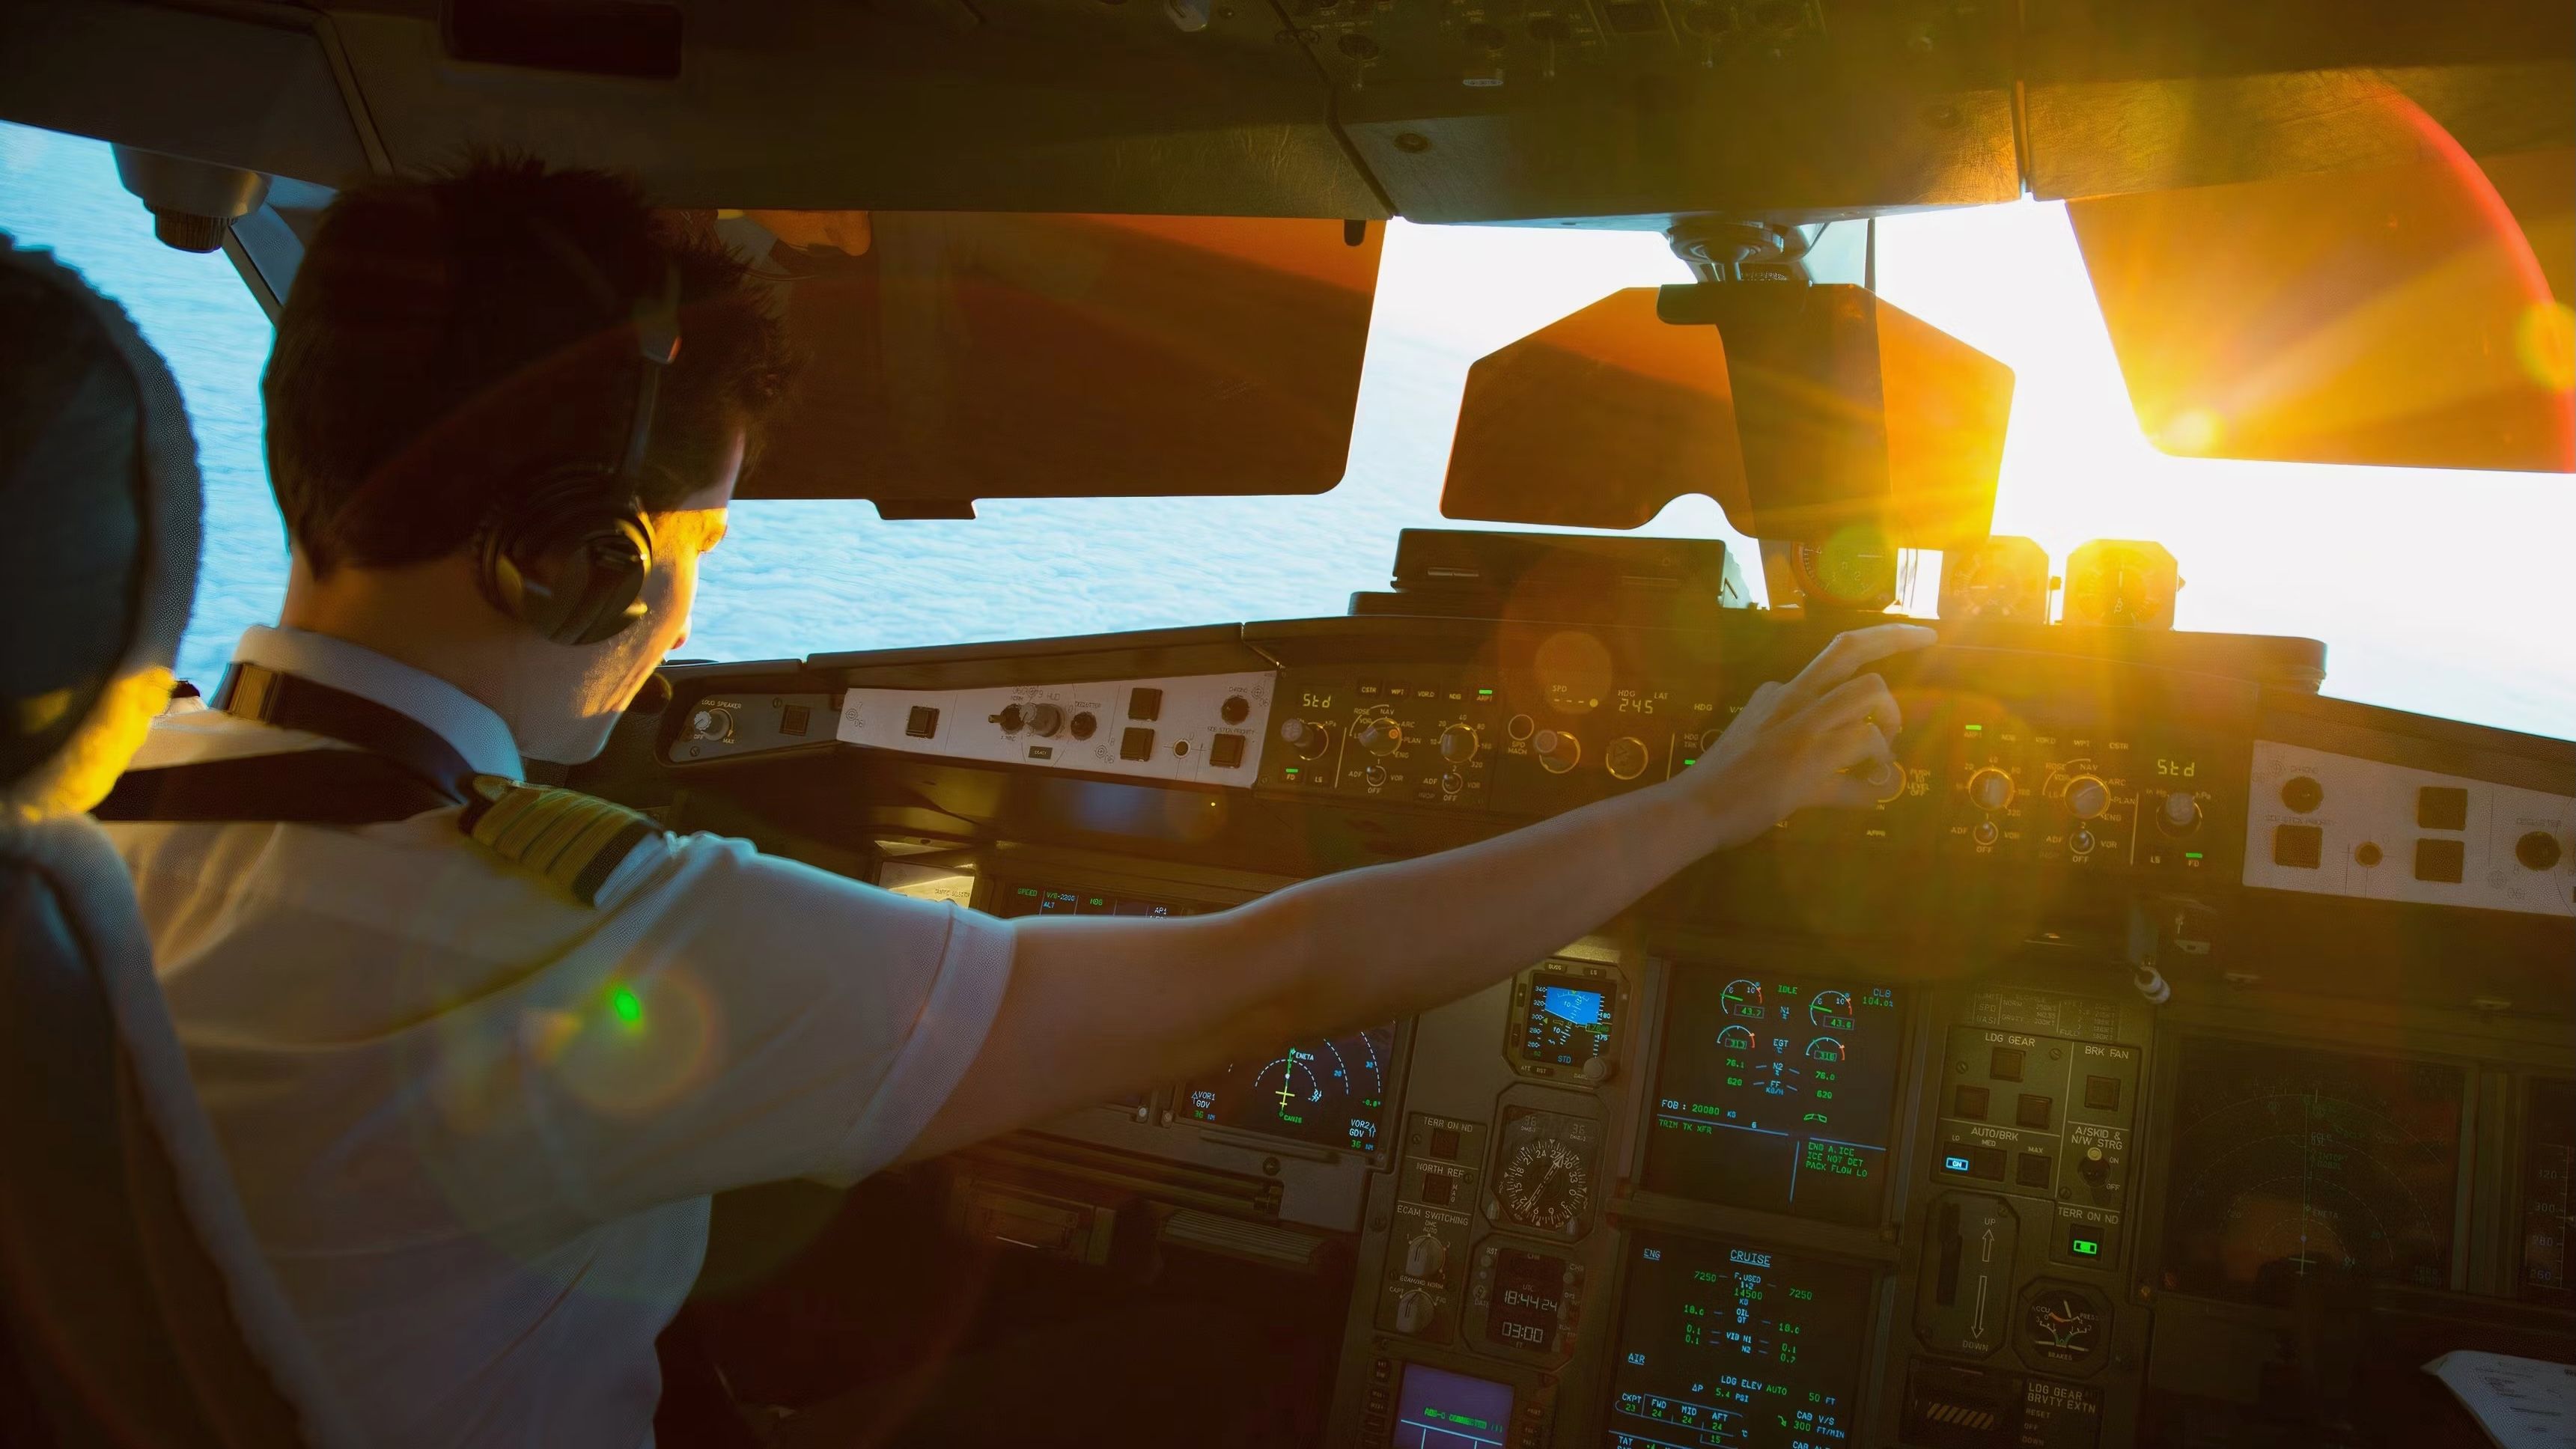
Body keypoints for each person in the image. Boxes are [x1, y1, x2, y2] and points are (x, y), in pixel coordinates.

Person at [97, 159, 1928, 1448]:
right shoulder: (565, 929)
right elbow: (1267, 975)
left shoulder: (92, 835)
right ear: (582, 556)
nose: (690, 602)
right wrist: (1715, 796)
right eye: (703, 536)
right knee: (1254, 1366)